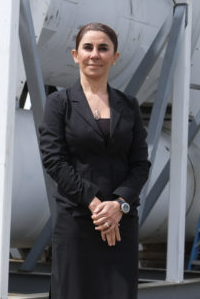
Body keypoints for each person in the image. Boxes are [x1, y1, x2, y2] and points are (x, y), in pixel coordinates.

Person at [39, 22, 151, 299]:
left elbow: (140, 164)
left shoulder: (129, 105)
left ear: (115, 57)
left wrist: (119, 205)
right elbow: (54, 160)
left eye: (103, 48)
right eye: (87, 47)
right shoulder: (59, 104)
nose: (95, 54)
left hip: (121, 221)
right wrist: (96, 205)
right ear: (75, 55)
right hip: (77, 220)